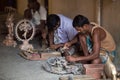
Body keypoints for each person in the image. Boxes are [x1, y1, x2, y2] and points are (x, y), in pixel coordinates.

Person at [64, 15, 117, 79]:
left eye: (79, 29)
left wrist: (75, 59)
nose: (78, 31)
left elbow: (95, 55)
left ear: (85, 26)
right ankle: (87, 61)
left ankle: (93, 76)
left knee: (95, 60)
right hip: (98, 49)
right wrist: (70, 43)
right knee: (81, 36)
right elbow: (78, 35)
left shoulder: (96, 32)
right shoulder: (88, 26)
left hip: (108, 52)